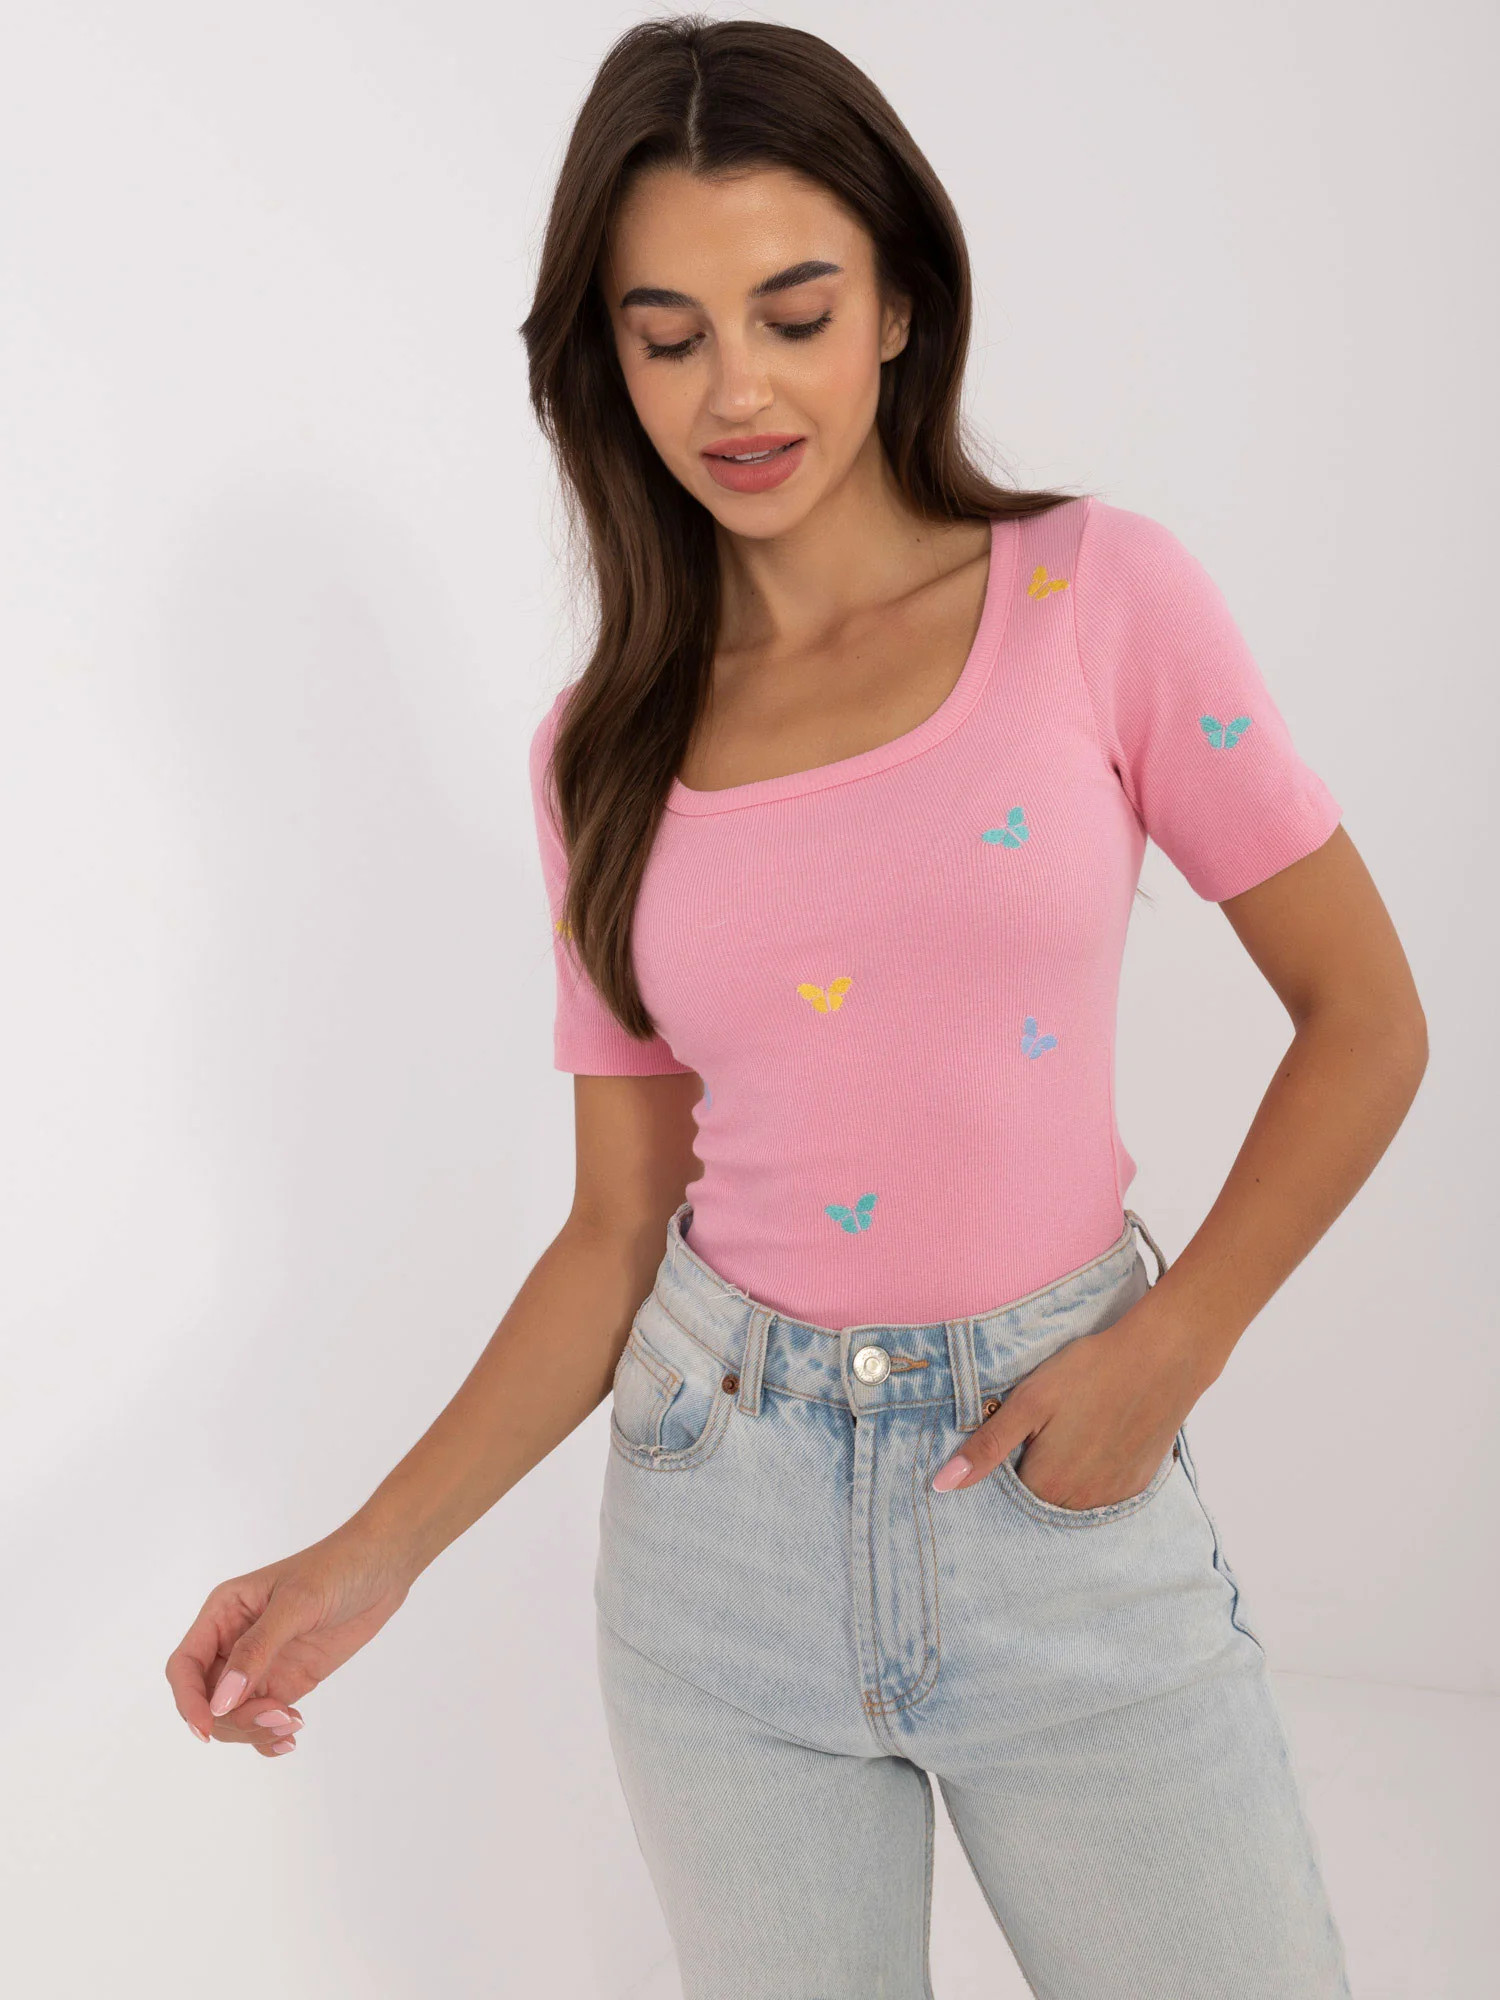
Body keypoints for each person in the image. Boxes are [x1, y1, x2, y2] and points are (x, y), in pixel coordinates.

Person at [167, 18, 1427, 1996]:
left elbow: (1365, 1012)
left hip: (1057, 1483)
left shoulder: (1096, 597)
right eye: (668, 334)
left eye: (795, 311)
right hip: (718, 1531)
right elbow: (616, 1228)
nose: (736, 389)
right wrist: (363, 1557)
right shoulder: (602, 748)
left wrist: (1171, 1347)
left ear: (899, 306)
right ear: (606, 361)